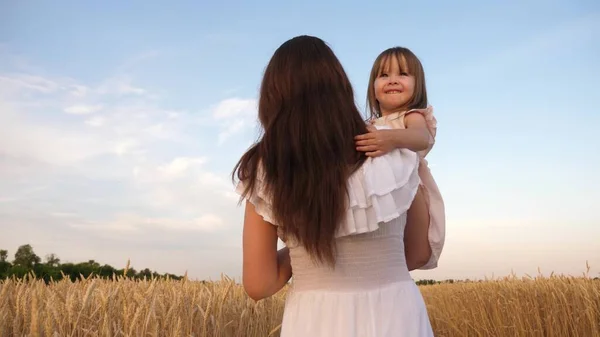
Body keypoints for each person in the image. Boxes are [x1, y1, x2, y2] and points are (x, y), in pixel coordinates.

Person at [232, 36, 434, 336]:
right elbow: (418, 252)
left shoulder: (266, 170)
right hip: (397, 316)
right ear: (341, 86)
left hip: (314, 321)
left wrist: (306, 245)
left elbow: (260, 284)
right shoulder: (395, 151)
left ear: (273, 96)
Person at [355, 46, 445, 270]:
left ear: (418, 86)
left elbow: (421, 138)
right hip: (380, 191)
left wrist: (391, 139)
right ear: (373, 89)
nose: (392, 80)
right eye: (384, 75)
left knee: (415, 254)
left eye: (402, 74)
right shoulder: (369, 125)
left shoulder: (411, 117)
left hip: (410, 190)